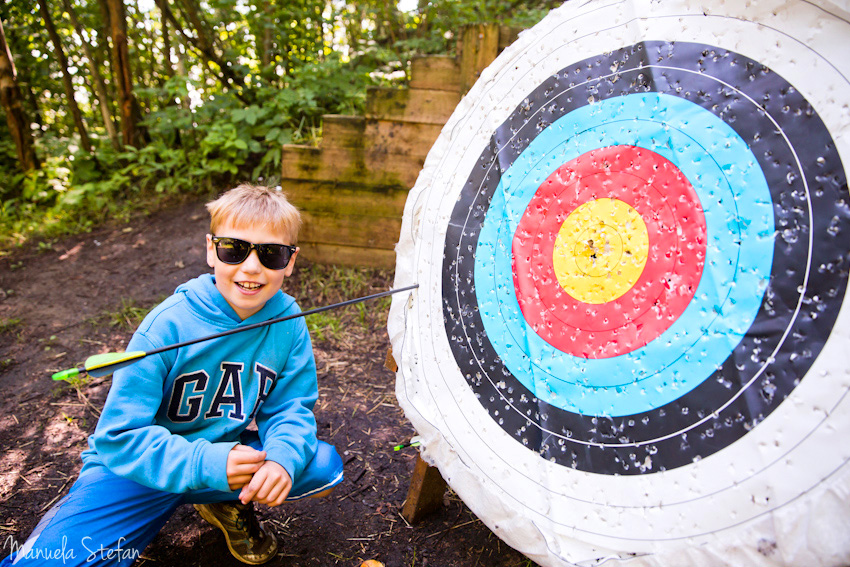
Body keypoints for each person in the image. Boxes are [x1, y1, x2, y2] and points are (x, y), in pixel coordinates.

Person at [2, 184, 343, 566]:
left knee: (320, 467)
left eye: (271, 254)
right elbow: (119, 437)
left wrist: (280, 460)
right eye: (235, 248)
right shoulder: (165, 325)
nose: (251, 267)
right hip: (137, 473)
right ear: (212, 250)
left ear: (290, 261)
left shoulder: (289, 322)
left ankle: (225, 501)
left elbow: (290, 408)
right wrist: (204, 463)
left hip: (225, 459)